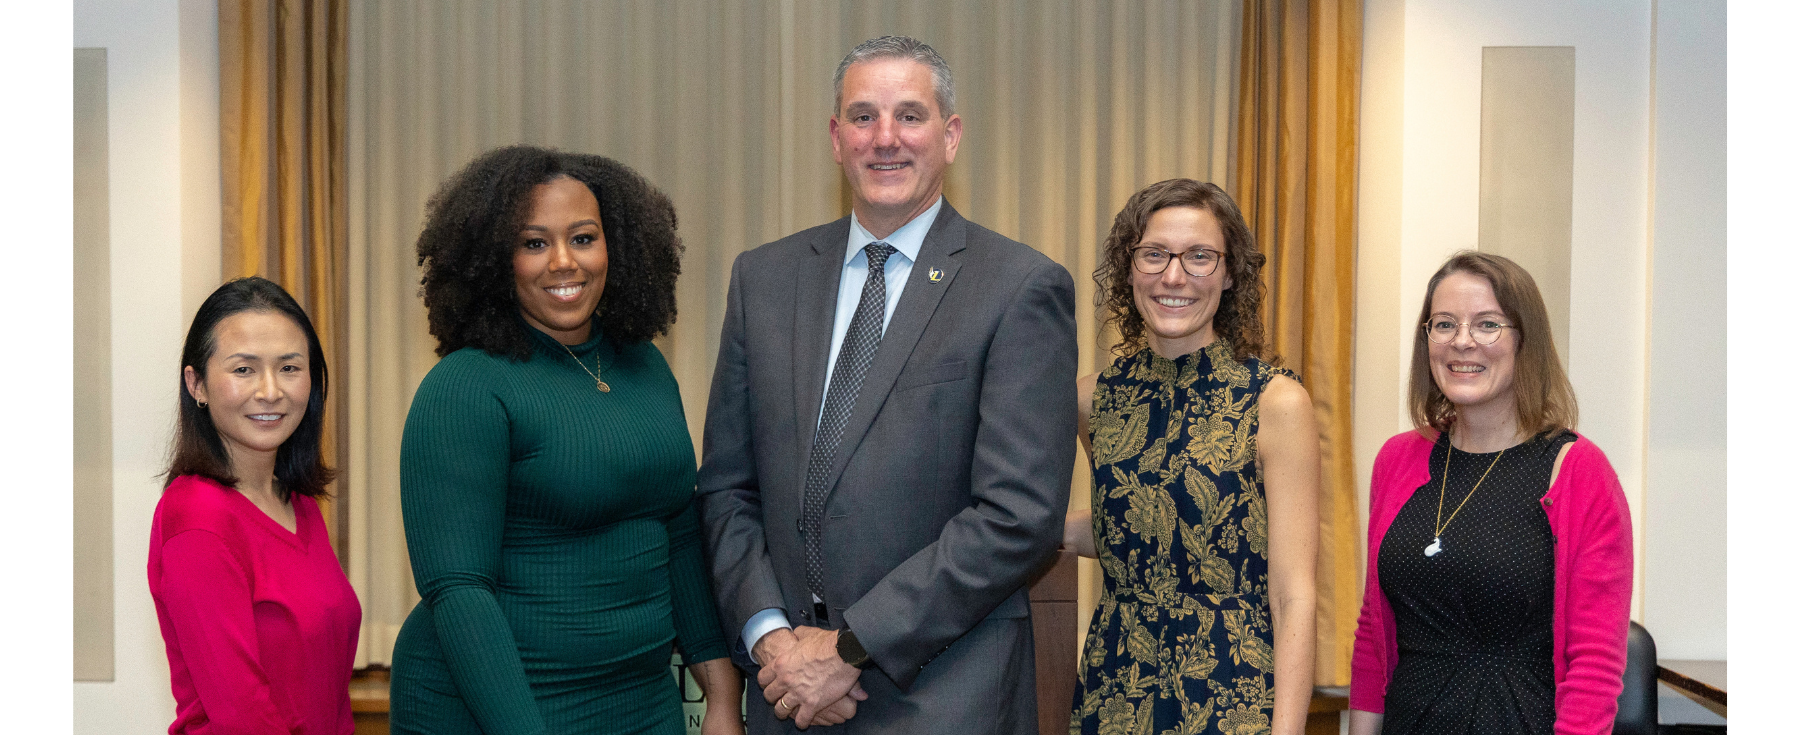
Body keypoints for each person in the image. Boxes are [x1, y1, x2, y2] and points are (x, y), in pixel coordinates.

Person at [695, 35, 1078, 733]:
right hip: (786, 698)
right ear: (836, 139)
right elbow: (727, 487)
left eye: (910, 115)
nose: (885, 139)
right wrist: (772, 641)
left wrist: (849, 647)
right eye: (864, 117)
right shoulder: (764, 280)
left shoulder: (1019, 287)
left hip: (944, 696)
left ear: (951, 135)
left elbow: (1018, 515)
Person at [388, 146, 743, 735]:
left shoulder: (644, 366)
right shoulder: (464, 388)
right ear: (494, 260)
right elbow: (458, 591)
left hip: (641, 704)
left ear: (617, 247)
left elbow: (679, 537)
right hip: (497, 712)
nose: (563, 262)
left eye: (583, 238)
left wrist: (724, 700)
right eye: (533, 243)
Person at [1062, 179, 1320, 735]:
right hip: (1116, 691)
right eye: (1153, 254)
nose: (1173, 276)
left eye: (1199, 257)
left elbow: (1294, 594)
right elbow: (1136, 523)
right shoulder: (1092, 401)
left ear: (1230, 275)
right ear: (1128, 268)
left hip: (1232, 695)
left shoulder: (1275, 402)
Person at [1348, 252, 1632, 735]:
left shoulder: (1578, 471)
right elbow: (1373, 629)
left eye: (1488, 325)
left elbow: (1595, 665)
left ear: (1526, 341)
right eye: (1443, 324)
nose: (1462, 342)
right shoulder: (1398, 459)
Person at [150, 276, 361, 734]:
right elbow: (241, 713)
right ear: (197, 383)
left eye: (289, 368)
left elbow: (330, 692)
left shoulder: (298, 502)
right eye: (243, 370)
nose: (270, 391)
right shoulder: (196, 518)